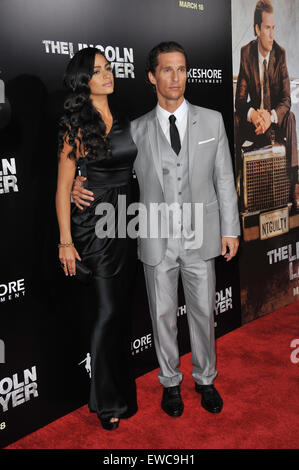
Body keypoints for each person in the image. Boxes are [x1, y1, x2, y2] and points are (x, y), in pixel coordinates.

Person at [72, 41, 240, 418]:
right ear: (151, 76)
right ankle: (170, 383)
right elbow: (105, 164)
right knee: (161, 314)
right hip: (154, 237)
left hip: (202, 235)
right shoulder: (135, 129)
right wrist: (75, 183)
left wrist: (231, 229)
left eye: (181, 69)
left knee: (202, 312)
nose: (176, 77)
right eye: (167, 69)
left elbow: (225, 180)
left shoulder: (212, 120)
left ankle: (206, 377)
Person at [56, 47, 138, 430]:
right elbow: (62, 188)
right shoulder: (76, 123)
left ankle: (121, 390)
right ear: (83, 80)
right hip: (95, 225)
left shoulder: (122, 117)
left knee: (121, 310)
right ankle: (106, 403)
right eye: (99, 71)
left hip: (126, 220)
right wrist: (66, 241)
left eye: (109, 68)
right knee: (107, 312)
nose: (108, 75)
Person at [235, 0, 299, 208]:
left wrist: (269, 116)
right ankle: (237, 183)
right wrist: (254, 115)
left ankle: (295, 186)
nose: (272, 35)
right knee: (235, 119)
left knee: (290, 117)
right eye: (267, 29)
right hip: (255, 123)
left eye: (273, 28)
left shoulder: (280, 54)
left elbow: (286, 99)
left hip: (273, 121)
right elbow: (240, 100)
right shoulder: (246, 53)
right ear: (257, 29)